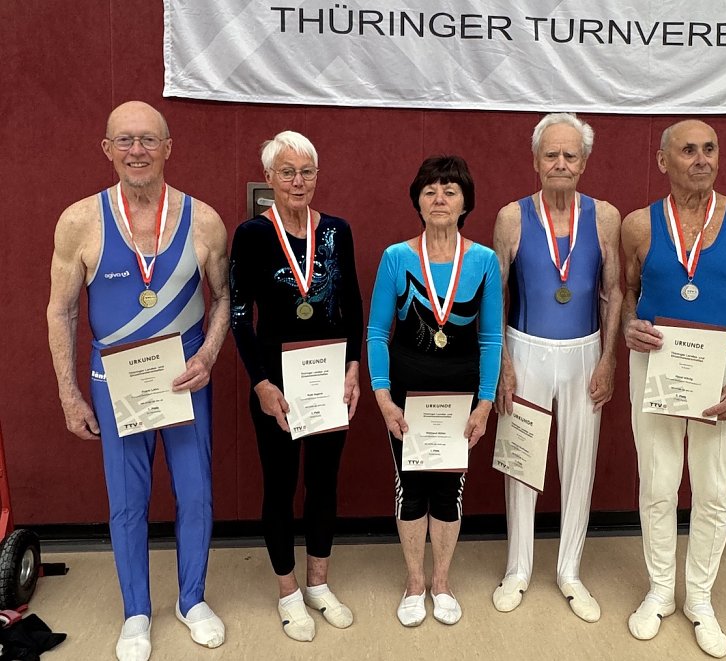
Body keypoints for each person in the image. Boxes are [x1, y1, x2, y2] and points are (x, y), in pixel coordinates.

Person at [46, 101, 228, 661]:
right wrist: (69, 391)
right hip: (116, 380)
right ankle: (136, 613)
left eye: (148, 140)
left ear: (169, 147)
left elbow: (225, 300)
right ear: (107, 150)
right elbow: (61, 311)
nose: (137, 151)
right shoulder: (80, 221)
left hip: (185, 375)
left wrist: (212, 355)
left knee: (195, 494)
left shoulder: (204, 220)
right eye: (124, 141)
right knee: (128, 500)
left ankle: (191, 599)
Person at [622, 119, 726, 658]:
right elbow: (625, 292)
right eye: (687, 150)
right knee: (658, 484)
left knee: (714, 493)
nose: (701, 159)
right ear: (663, 161)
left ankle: (701, 599)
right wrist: (626, 327)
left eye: (709, 149)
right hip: (658, 363)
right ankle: (659, 591)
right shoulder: (639, 225)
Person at [229, 131, 362, 643]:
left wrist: (353, 365)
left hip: (330, 378)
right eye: (287, 172)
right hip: (277, 382)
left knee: (324, 483)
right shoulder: (252, 235)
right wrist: (260, 381)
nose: (297, 181)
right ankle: (288, 593)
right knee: (281, 486)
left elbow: (351, 299)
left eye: (306, 171)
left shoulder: (338, 230)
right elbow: (241, 315)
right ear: (269, 179)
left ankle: (318, 584)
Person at [491, 113, 623, 621]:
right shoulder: (511, 217)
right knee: (521, 459)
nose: (561, 163)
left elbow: (614, 293)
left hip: (584, 351)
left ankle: (570, 569)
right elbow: (496, 294)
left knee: (578, 462)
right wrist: (502, 361)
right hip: (526, 349)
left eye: (570, 155)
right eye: (552, 155)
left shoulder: (605, 216)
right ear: (535, 162)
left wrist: (609, 359)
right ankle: (518, 567)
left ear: (584, 162)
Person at [367, 155, 502, 627]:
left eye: (450, 189)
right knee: (410, 490)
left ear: (466, 201)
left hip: (461, 397)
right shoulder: (396, 257)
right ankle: (413, 583)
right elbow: (377, 334)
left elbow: (491, 338)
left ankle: (441, 582)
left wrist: (485, 404)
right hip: (406, 394)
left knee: (449, 491)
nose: (439, 198)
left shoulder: (484, 261)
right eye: (430, 191)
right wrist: (383, 400)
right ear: (417, 202)